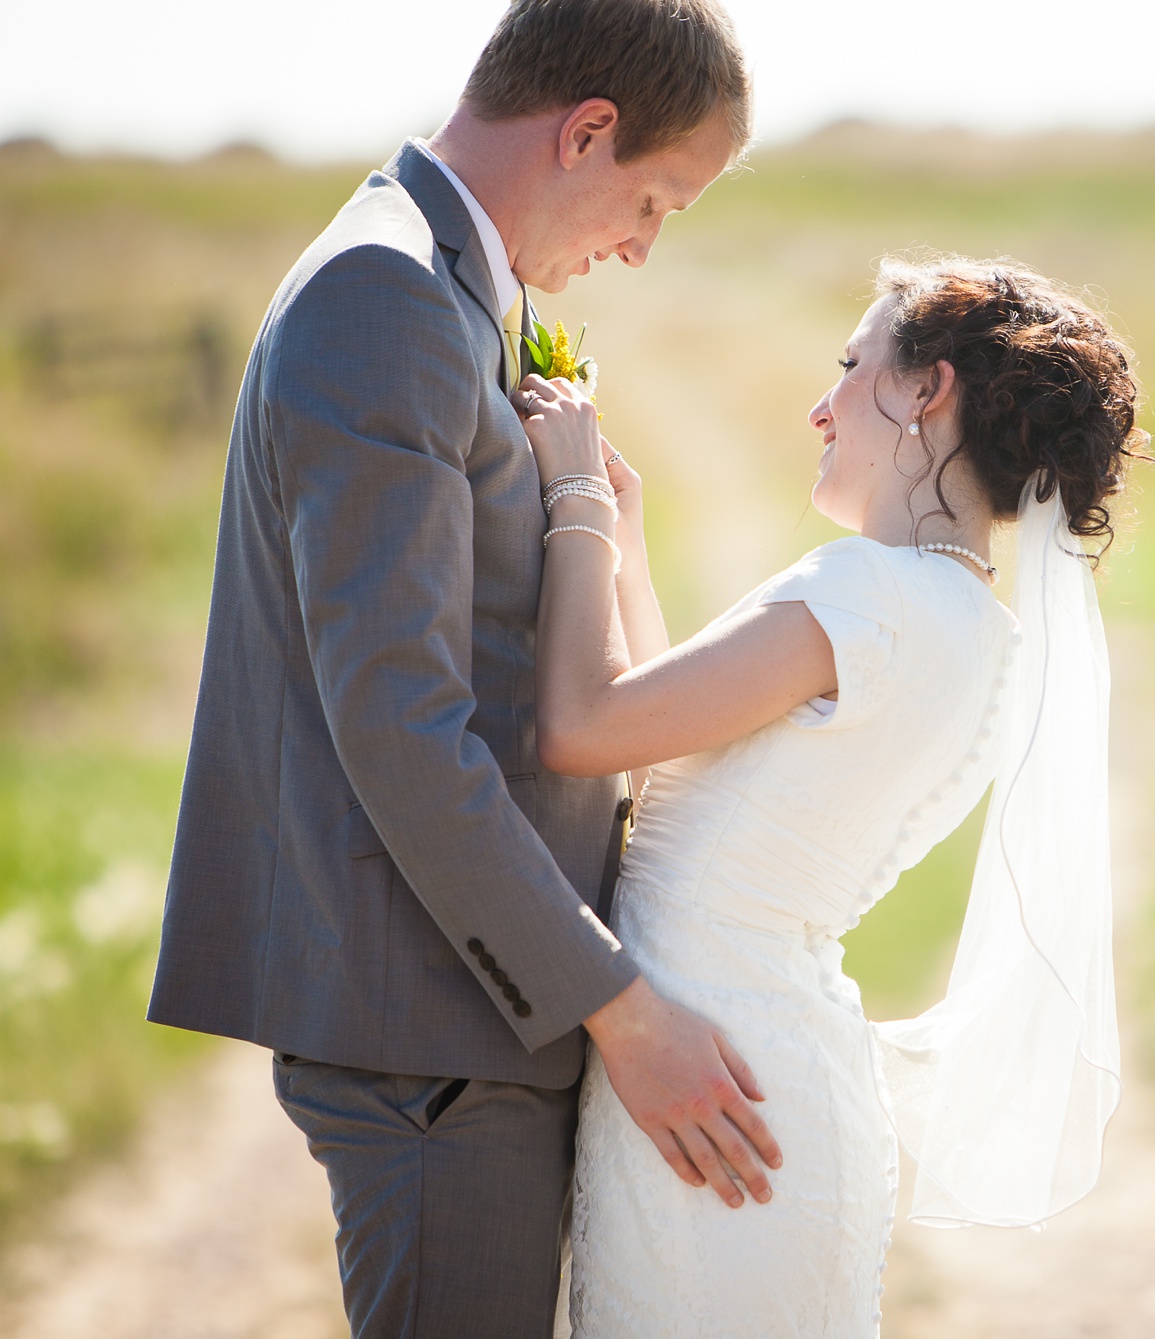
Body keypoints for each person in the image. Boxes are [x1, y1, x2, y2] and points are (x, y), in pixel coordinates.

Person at [146, 4, 771, 1335]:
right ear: (588, 130)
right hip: (432, 1029)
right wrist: (623, 1006)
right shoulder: (383, 299)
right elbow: (402, 728)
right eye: (654, 201)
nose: (643, 249)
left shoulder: (443, 283)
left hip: (472, 1019)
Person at [515, 256, 1145, 1337]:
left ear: (925, 389)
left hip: (711, 1089)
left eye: (851, 367)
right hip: (746, 1074)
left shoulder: (864, 594)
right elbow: (662, 756)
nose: (823, 404)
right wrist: (622, 536)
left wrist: (568, 493)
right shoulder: (971, 627)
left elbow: (582, 729)